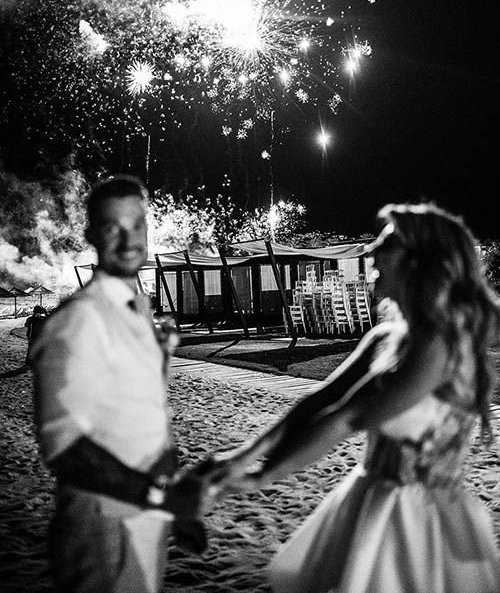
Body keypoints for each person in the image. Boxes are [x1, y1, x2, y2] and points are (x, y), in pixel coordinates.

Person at [192, 202, 500, 593]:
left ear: (420, 261)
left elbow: (348, 418)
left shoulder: (438, 345)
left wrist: (263, 476)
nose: (371, 251)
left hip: (420, 520)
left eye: (388, 243)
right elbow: (320, 399)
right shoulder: (383, 339)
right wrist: (243, 456)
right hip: (367, 499)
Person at [29, 174, 203, 593]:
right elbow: (64, 448)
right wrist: (160, 497)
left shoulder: (133, 310)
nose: (128, 241)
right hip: (102, 524)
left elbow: (143, 412)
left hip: (143, 514)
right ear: (91, 235)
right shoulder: (80, 318)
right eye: (112, 229)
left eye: (136, 226)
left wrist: (172, 506)